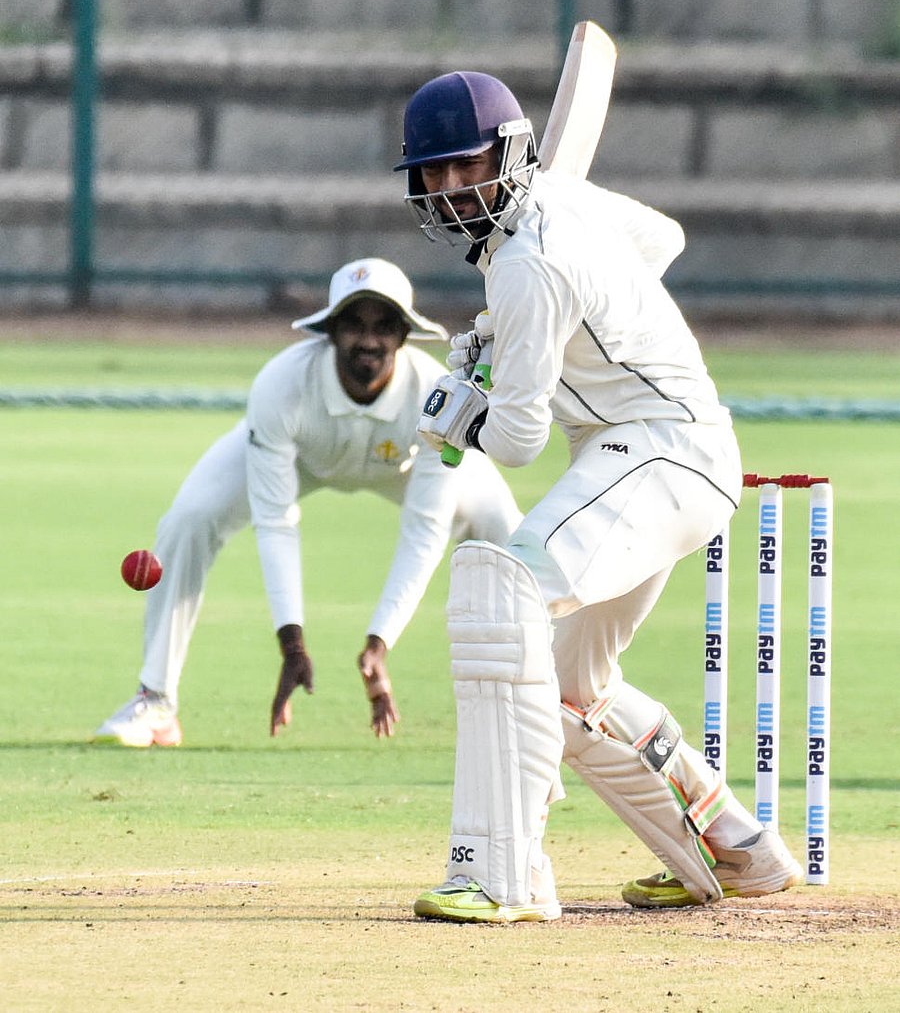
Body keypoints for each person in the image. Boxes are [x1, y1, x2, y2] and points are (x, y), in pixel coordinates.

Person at [394, 71, 803, 920]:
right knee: (575, 681)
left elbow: (515, 441)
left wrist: (466, 400)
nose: (451, 192)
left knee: (497, 594)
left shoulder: (527, 264)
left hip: (656, 449)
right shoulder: (557, 218)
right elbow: (662, 237)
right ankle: (738, 847)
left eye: (466, 169)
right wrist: (559, 313)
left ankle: (504, 872)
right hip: (658, 454)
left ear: (506, 158)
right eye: (434, 175)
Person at [94, 258, 522, 748]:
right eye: (353, 325)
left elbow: (425, 530)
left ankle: (537, 705)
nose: (368, 341)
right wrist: (291, 643)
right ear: (330, 330)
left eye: (384, 326)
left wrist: (379, 644)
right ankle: (155, 701)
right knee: (189, 520)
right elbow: (276, 523)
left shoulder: (434, 397)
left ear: (404, 335)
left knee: (507, 528)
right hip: (302, 460)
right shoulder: (282, 383)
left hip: (401, 466)